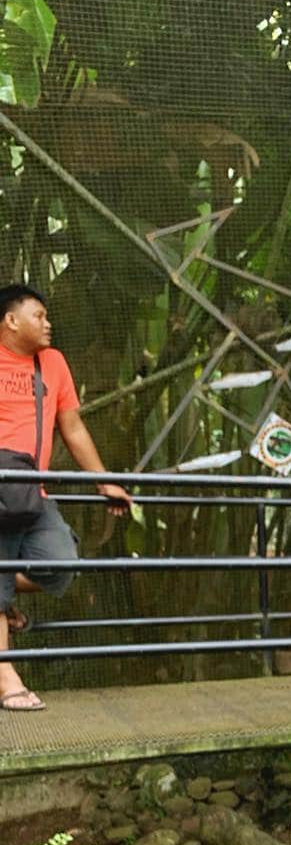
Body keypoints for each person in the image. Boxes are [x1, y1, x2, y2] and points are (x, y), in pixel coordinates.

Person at [0, 284, 132, 711]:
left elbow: (72, 428)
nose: (47, 322)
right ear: (11, 320)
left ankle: (5, 594)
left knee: (60, 564)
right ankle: (8, 684)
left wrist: (104, 481)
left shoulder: (52, 364)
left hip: (30, 492)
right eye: (38, 314)